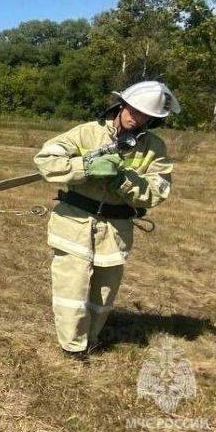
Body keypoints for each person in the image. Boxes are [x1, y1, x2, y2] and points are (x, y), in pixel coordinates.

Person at [34, 81, 179, 360]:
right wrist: (85, 167)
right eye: (134, 110)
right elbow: (45, 160)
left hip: (115, 231)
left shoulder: (154, 148)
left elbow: (157, 191)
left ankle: (92, 339)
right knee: (71, 290)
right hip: (73, 224)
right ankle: (73, 347)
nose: (137, 118)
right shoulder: (87, 133)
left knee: (104, 294)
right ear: (122, 105)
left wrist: (122, 180)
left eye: (146, 115)